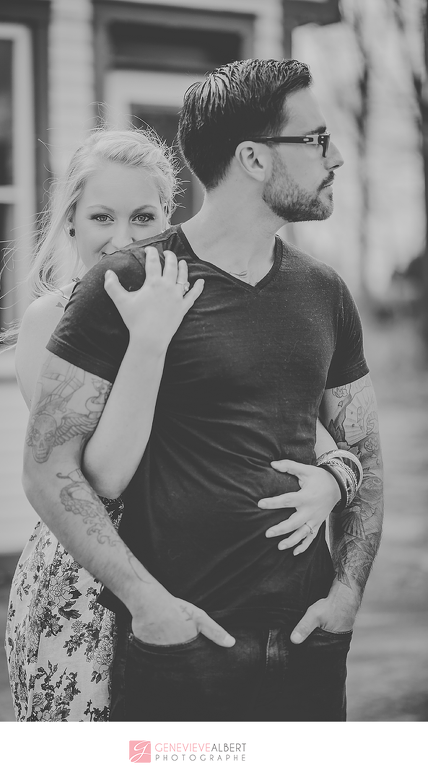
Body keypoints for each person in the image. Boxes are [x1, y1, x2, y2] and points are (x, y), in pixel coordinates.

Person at [23, 55, 384, 721]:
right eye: (314, 140)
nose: (334, 157)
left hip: (306, 645)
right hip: (165, 638)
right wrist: (149, 605)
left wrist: (346, 588)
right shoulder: (119, 292)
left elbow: (363, 444)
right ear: (252, 158)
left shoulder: (324, 290)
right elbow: (64, 470)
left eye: (144, 216)